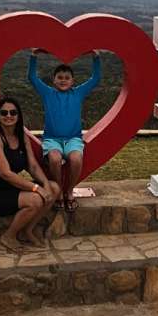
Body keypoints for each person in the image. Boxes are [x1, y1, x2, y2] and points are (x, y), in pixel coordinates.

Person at [0, 96, 61, 251]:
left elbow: (32, 166)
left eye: (13, 112)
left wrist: (46, 185)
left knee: (54, 188)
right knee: (35, 200)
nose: (8, 116)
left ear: (18, 116)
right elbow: (6, 173)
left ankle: (29, 230)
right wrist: (36, 188)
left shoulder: (21, 136)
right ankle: (9, 236)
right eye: (4, 113)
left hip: (9, 189)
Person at [28, 48, 101, 211]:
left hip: (73, 139)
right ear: (53, 80)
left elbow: (95, 79)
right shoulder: (48, 93)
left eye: (67, 78)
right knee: (54, 159)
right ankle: (59, 191)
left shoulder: (78, 93)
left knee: (75, 159)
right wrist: (33, 56)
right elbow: (32, 78)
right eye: (59, 77)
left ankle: (69, 192)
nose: (63, 80)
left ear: (72, 81)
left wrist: (95, 57)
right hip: (52, 139)